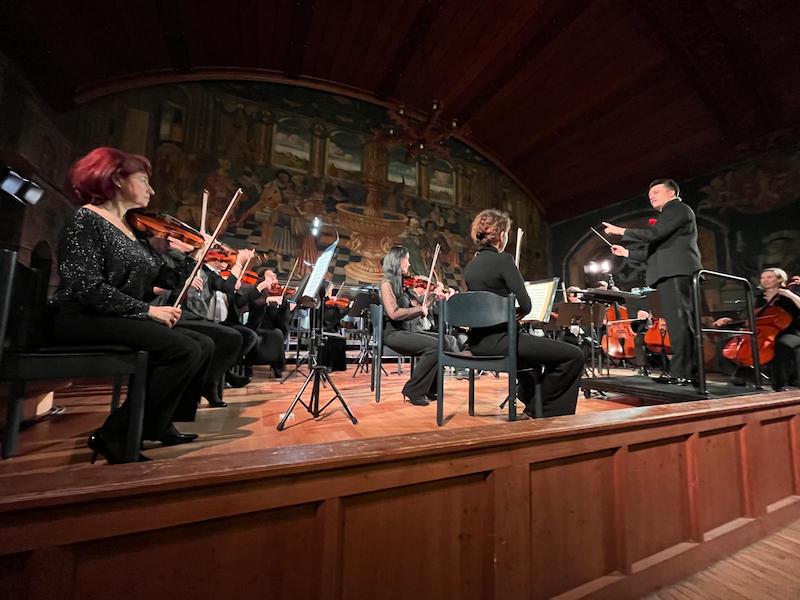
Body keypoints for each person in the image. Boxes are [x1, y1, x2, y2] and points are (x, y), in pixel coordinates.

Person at [51, 147, 208, 463]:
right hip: (80, 315)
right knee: (184, 349)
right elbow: (85, 287)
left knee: (202, 344)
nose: (152, 190)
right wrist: (148, 311)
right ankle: (116, 434)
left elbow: (167, 279)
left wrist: (192, 255)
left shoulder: (132, 230)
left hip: (113, 313)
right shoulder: (86, 219)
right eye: (145, 181)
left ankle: (155, 423)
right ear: (117, 179)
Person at [464, 209, 584, 417]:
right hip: (503, 341)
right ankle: (540, 409)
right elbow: (526, 305)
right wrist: (518, 313)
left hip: (477, 343)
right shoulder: (504, 260)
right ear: (502, 235)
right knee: (574, 355)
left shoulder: (471, 266)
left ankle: (532, 400)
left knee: (536, 358)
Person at [604, 178, 702, 385]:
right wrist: (626, 252)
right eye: (650, 194)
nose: (651, 196)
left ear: (671, 192)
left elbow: (655, 234)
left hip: (676, 272)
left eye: (656, 192)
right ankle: (686, 371)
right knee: (678, 324)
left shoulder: (677, 209)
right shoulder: (669, 215)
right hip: (671, 272)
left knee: (680, 324)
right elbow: (654, 252)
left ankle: (684, 372)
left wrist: (621, 231)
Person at [714, 268, 800, 391]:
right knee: (723, 345)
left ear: (779, 279)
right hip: (762, 332)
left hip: (790, 331)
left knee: (782, 345)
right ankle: (747, 375)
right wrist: (730, 321)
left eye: (769, 277)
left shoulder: (790, 293)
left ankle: (780, 384)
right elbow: (751, 318)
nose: (765, 280)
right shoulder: (759, 297)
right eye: (763, 277)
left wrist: (788, 294)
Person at [379, 246, 438, 406]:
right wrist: (419, 310)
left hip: (405, 331)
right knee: (435, 346)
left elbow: (420, 307)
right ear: (398, 260)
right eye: (407, 259)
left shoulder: (402, 286)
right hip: (392, 334)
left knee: (446, 341)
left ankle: (430, 389)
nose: (409, 264)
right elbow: (393, 313)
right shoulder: (386, 284)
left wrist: (434, 295)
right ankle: (413, 390)